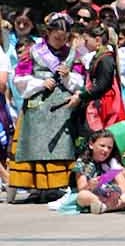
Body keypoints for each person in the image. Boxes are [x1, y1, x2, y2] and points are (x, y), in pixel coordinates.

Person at [7, 12, 82, 199]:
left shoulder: (73, 55)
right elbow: (19, 79)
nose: (59, 40)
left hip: (62, 109)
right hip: (37, 107)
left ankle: (57, 186)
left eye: (63, 37)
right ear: (47, 33)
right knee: (34, 145)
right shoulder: (32, 51)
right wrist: (40, 83)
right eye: (56, 35)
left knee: (61, 146)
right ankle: (35, 187)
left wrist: (67, 76)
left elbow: (81, 81)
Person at [71, 128, 125, 214]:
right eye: (102, 146)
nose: (106, 150)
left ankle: (105, 207)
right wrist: (90, 185)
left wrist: (116, 193)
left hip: (112, 197)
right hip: (93, 196)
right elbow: (81, 189)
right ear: (91, 145)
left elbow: (123, 187)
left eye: (109, 148)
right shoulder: (83, 162)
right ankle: (119, 205)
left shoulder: (111, 162)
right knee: (82, 195)